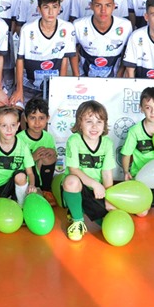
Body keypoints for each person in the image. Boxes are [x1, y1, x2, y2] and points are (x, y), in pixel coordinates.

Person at [61, 101, 116, 241]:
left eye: (99, 121)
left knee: (109, 222)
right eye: (89, 121)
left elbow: (107, 173)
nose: (94, 126)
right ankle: (78, 220)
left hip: (97, 191)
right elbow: (73, 169)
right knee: (71, 181)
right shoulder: (74, 140)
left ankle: (80, 208)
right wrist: (94, 183)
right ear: (80, 123)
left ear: (104, 124)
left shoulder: (107, 143)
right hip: (79, 187)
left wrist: (109, 200)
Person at [12, 0, 75, 107]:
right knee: (14, 109)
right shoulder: (27, 29)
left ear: (60, 8)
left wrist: (60, 88)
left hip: (53, 85)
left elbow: (64, 61)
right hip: (29, 85)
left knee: (57, 112)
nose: (51, 12)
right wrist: (19, 89)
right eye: (46, 7)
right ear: (38, 9)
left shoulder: (67, 28)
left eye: (55, 6)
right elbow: (20, 60)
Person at [0, 106, 36, 223]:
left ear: (18, 126)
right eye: (4, 126)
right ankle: (9, 205)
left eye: (13, 125)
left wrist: (32, 186)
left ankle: (21, 205)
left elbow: (30, 172)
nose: (9, 129)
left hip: (17, 186)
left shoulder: (22, 146)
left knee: (20, 175)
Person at [72, 0, 133, 78]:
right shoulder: (78, 25)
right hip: (85, 78)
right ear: (91, 6)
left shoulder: (125, 26)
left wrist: (119, 75)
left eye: (108, 5)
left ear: (114, 6)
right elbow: (72, 51)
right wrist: (77, 76)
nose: (103, 10)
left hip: (114, 79)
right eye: (98, 5)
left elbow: (127, 53)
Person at [17, 98, 59, 204]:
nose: (37, 122)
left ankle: (46, 189)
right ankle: (30, 190)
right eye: (32, 118)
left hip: (41, 172)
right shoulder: (19, 138)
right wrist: (31, 158)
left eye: (41, 118)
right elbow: (15, 163)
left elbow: (54, 157)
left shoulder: (48, 137)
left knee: (48, 157)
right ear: (25, 118)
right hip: (25, 176)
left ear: (47, 118)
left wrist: (52, 153)